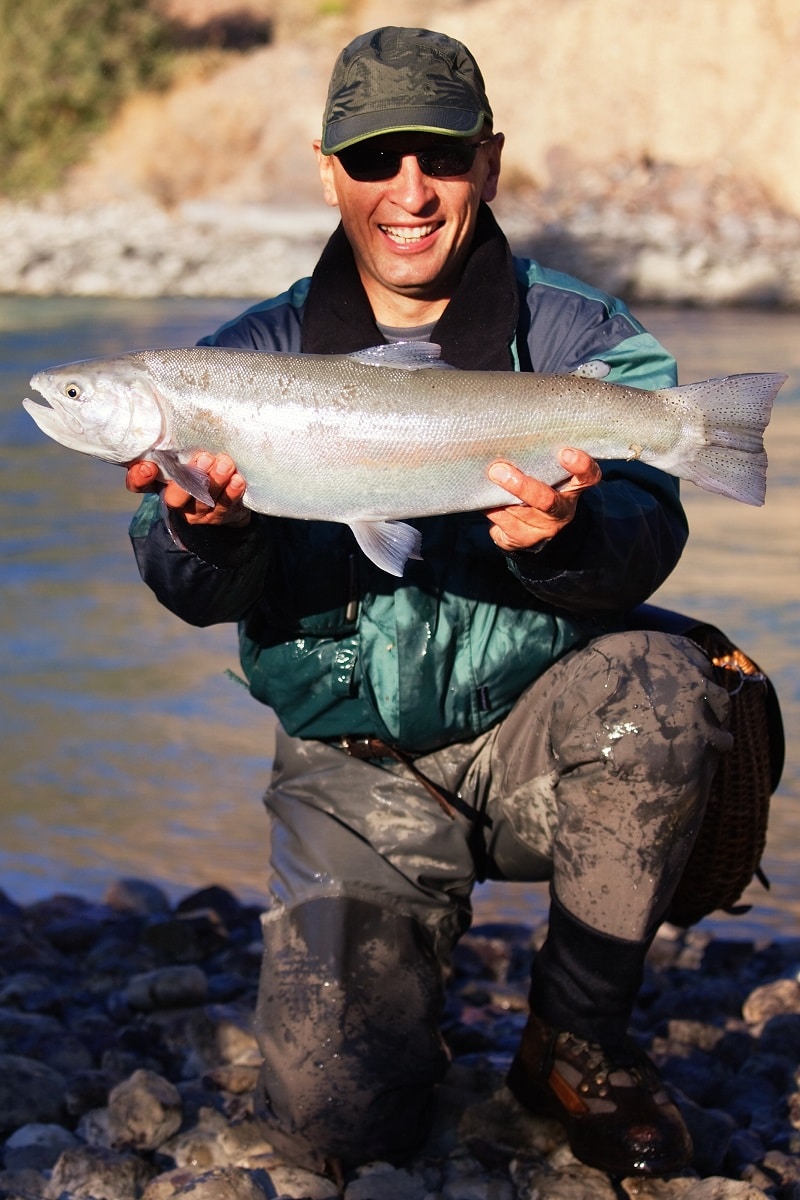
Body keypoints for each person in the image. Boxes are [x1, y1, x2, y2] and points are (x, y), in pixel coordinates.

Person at [126, 26, 732, 1180]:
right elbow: (180, 591)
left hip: (535, 742)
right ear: (327, 171)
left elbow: (653, 529)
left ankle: (574, 1040)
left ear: (488, 162)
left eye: (440, 159)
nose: (408, 193)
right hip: (351, 777)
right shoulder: (239, 359)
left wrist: (569, 537)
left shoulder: (581, 338)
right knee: (338, 1138)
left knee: (662, 688)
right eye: (373, 161)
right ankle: (404, 990)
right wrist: (202, 533)